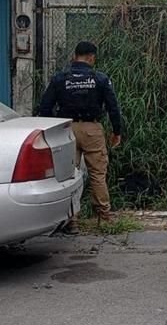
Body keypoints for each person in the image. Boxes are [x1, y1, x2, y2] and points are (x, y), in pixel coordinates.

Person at [39, 41, 122, 232]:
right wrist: (117, 131)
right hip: (92, 129)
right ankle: (104, 216)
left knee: (69, 175)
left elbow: (45, 106)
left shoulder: (60, 78)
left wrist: (51, 130)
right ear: (91, 57)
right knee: (98, 173)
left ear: (74, 56)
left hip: (66, 129)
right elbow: (113, 107)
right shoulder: (100, 79)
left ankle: (71, 220)